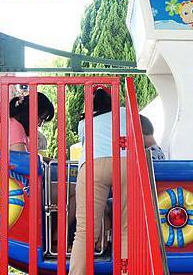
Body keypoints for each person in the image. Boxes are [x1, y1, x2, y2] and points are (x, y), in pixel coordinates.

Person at [0, 93, 54, 268]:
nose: (39, 123)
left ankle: (53, 240)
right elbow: (22, 161)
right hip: (17, 192)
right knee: (72, 194)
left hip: (18, 188)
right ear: (32, 112)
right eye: (41, 117)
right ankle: (56, 241)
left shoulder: (10, 125)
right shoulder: (14, 126)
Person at [69, 88, 127, 275]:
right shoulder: (126, 112)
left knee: (85, 232)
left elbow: (84, 144)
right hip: (125, 162)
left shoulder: (85, 122)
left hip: (93, 164)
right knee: (127, 229)